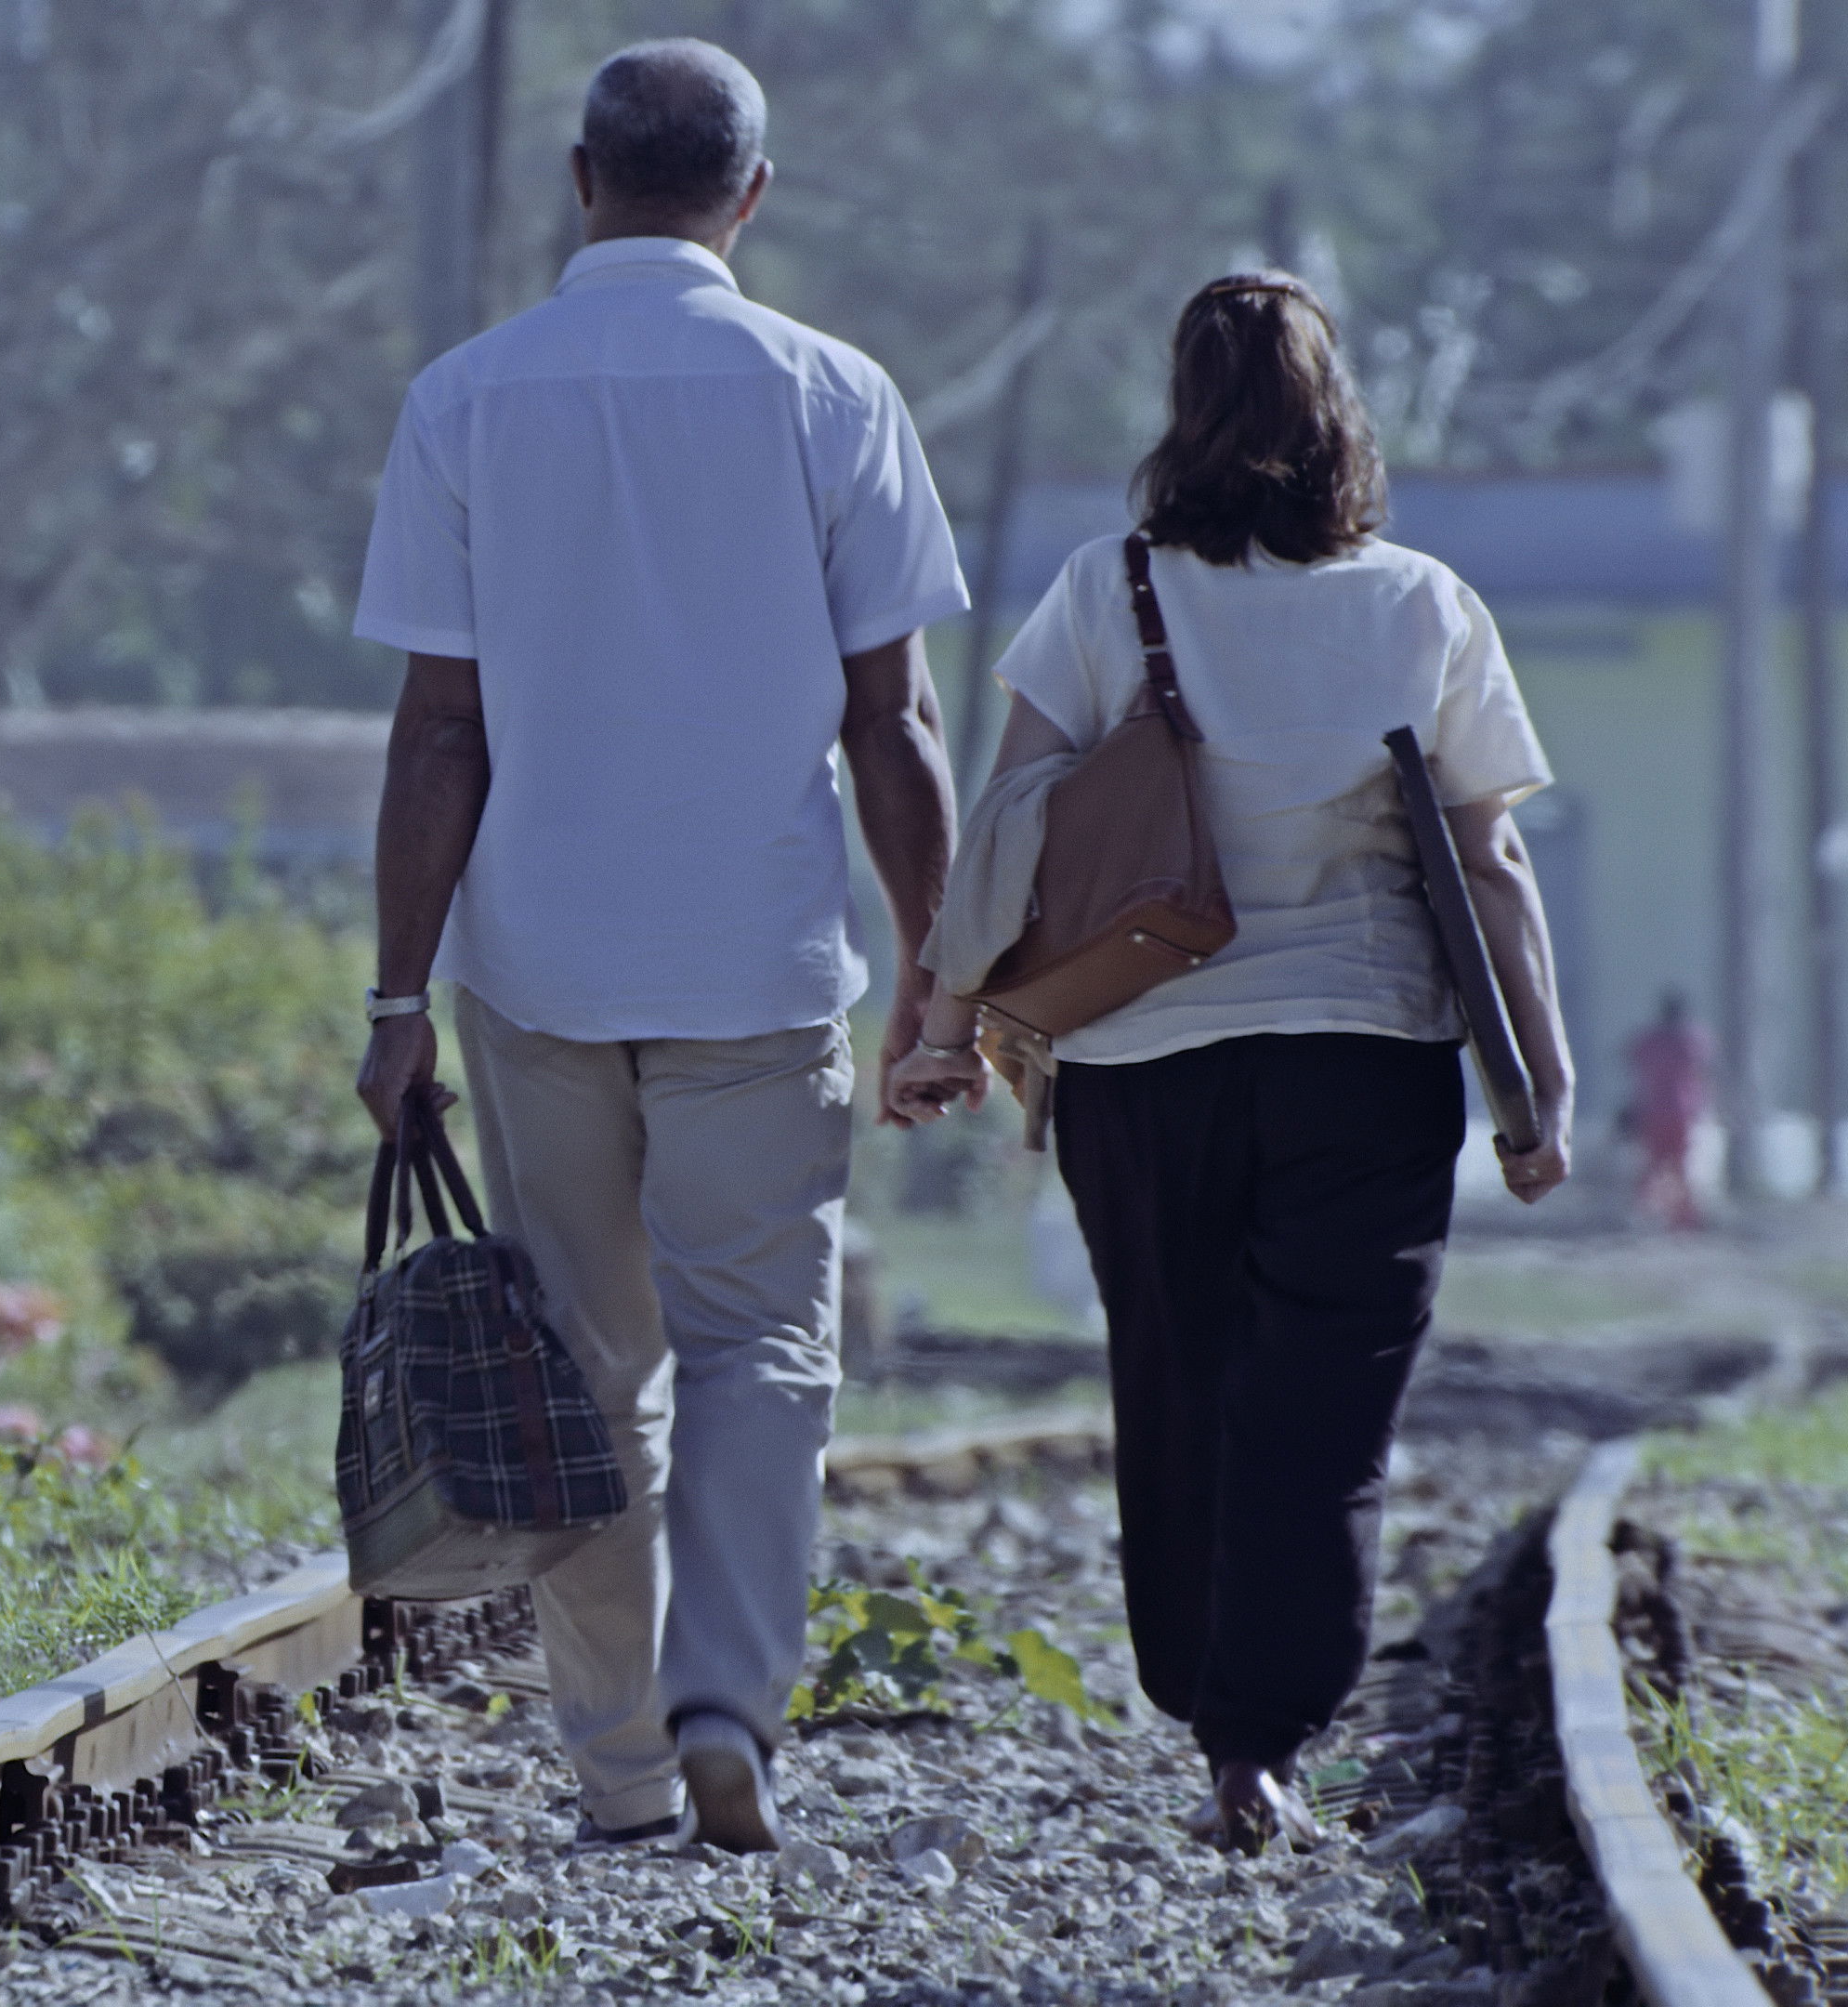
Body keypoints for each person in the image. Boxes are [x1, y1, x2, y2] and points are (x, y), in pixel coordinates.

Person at [348, 39, 972, 1856]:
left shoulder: (465, 401)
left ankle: (621, 1764)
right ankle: (730, 1711)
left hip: (535, 965)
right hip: (762, 964)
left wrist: (398, 999)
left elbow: (438, 734)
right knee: (762, 1349)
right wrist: (936, 966)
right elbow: (898, 725)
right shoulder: (834, 395)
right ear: (751, 196)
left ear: (578, 178)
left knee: (579, 1368)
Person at [897, 271, 1573, 1853]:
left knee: (1179, 1379)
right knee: (1321, 1409)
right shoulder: (1421, 603)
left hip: (1146, 1065)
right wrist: (1537, 1091)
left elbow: (1006, 838)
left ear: (1184, 411)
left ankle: (1218, 1722)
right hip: (1366, 1062)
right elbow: (1491, 860)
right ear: (1336, 413)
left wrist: (941, 1029)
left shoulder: (1104, 589)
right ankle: (1268, 1732)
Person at [1622, 990, 1713, 1232]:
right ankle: (1683, 1216)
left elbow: (1630, 1060)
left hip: (1655, 1111)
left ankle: (1645, 1211)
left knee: (1655, 1164)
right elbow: (1704, 1070)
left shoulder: (1651, 1040)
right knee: (1678, 1165)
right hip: (1681, 1112)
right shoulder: (1692, 1039)